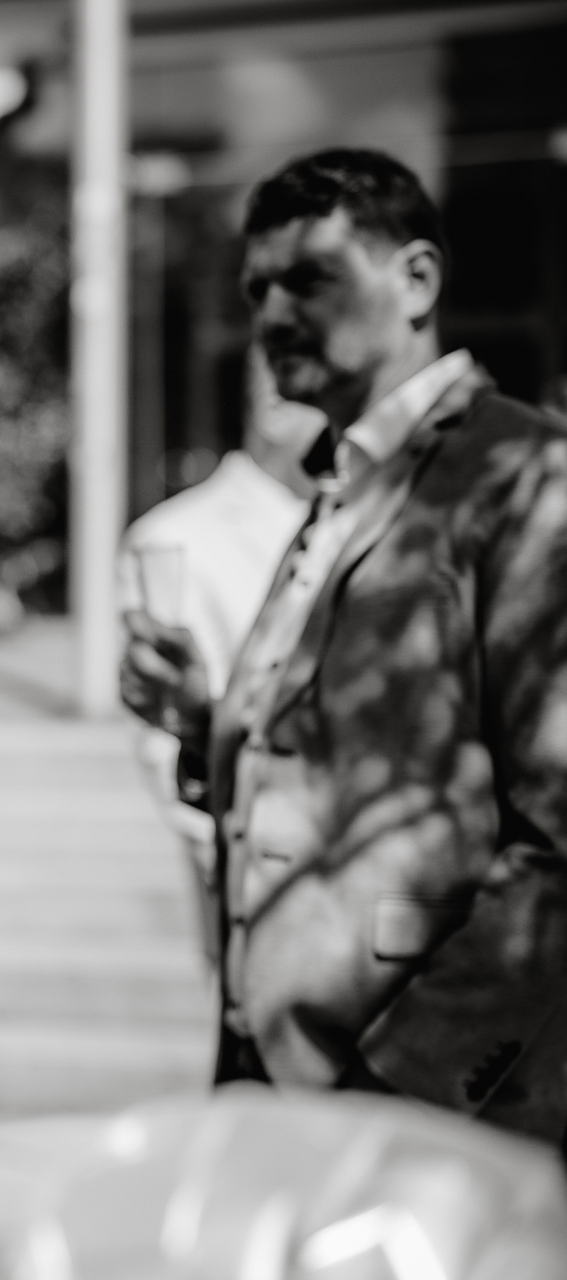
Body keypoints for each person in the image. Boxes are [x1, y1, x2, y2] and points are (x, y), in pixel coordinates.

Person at [121, 149, 567, 1145]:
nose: (273, 314)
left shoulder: (526, 480)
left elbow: (559, 843)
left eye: (310, 278)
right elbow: (328, 773)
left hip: (426, 1111)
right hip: (279, 1084)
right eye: (257, 289)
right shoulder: (339, 488)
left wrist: (398, 1090)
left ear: (417, 279)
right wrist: (203, 726)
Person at [119, 348, 316, 964]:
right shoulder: (172, 539)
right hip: (249, 884)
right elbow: (165, 741)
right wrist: (236, 860)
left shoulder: (387, 525)